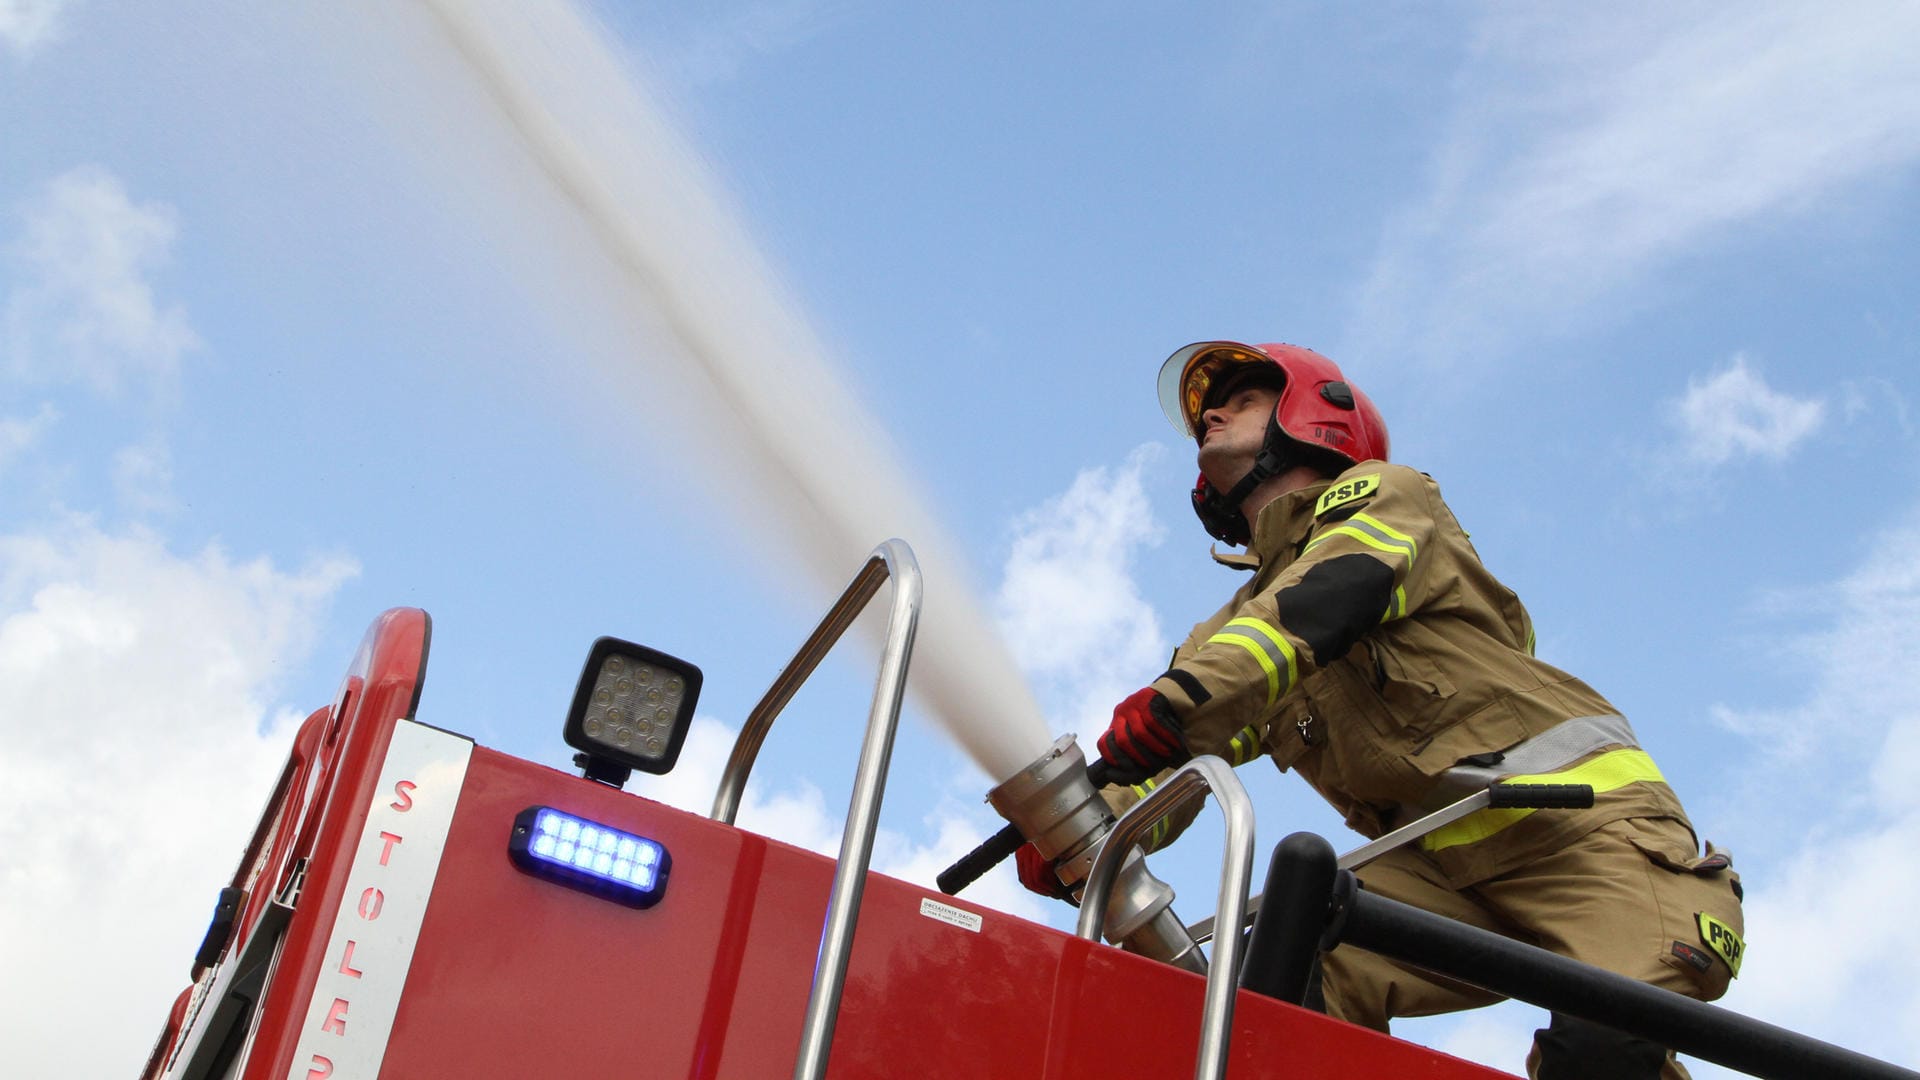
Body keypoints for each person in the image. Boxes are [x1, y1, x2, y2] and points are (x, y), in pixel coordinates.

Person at [1022, 340, 1746, 1079]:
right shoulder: (1232, 630)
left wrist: (1175, 704)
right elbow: (1171, 754)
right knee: (1286, 960)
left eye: (1242, 397)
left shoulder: (1389, 499)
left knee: (1599, 1053)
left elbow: (1326, 601)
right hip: (1440, 871)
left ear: (1314, 415)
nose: (1211, 412)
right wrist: (1079, 831)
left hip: (1593, 838)